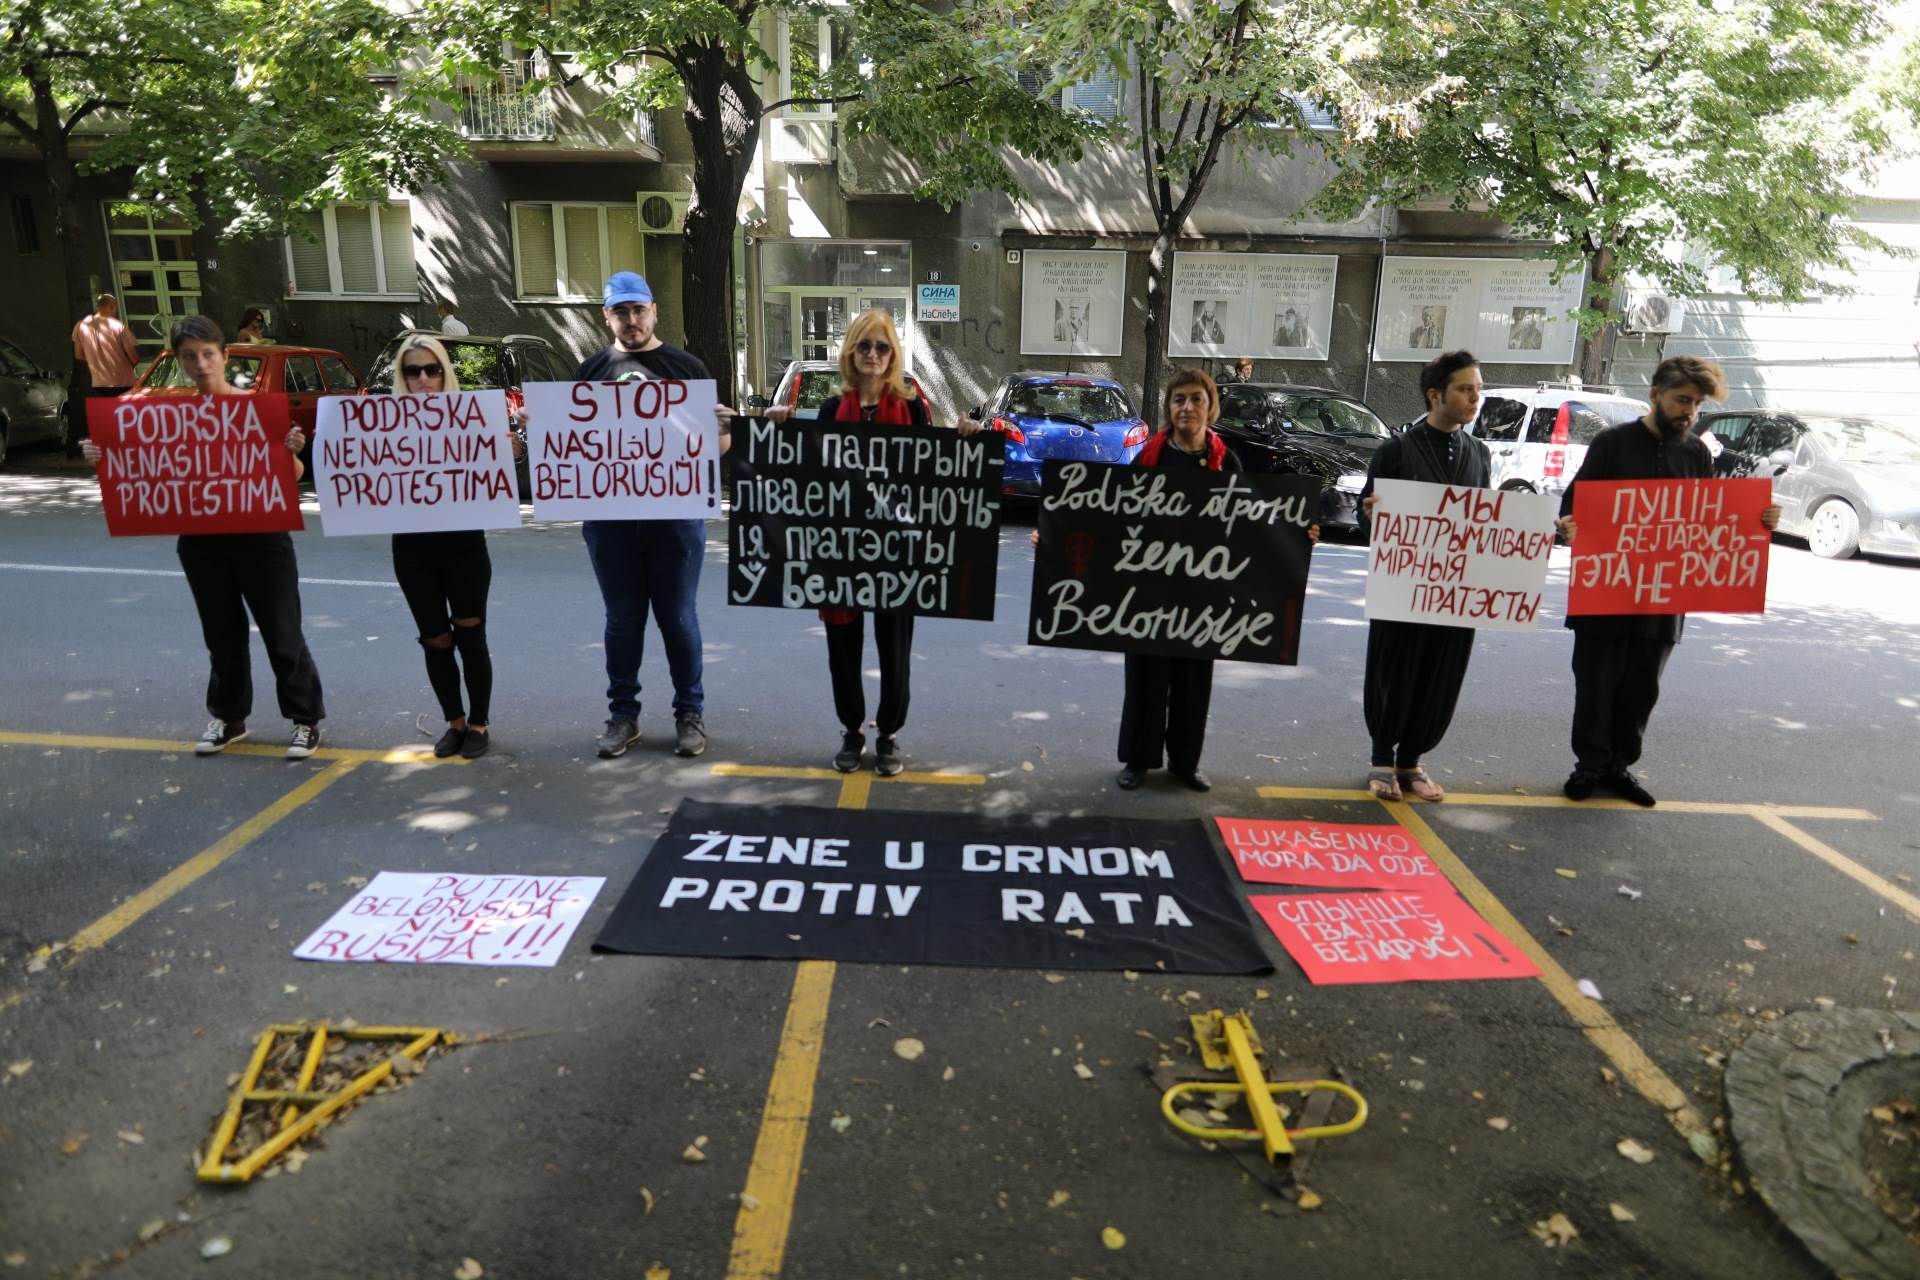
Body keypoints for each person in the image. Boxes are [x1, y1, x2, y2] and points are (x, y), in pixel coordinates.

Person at [82, 317, 325, 759]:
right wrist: (101, 453)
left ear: (225, 357)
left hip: (262, 540)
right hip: (202, 542)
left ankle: (305, 721)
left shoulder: (256, 409)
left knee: (282, 634)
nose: (200, 363)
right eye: (189, 356)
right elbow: (134, 468)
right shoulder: (167, 418)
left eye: (207, 354)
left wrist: (288, 451)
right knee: (222, 637)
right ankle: (230, 718)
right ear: (179, 361)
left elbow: (289, 479)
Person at [1554, 356, 1781, 807]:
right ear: (1655, 395)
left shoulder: (1695, 453)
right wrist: (1569, 525)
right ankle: (1589, 767)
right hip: (1606, 590)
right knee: (1596, 686)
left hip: (1663, 597)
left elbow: (1710, 521)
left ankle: (1619, 768)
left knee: (1641, 688)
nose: (1689, 413)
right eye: (1682, 401)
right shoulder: (1611, 444)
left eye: (1696, 405)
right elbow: (1573, 504)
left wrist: (1760, 520)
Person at [765, 309, 975, 776]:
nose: (874, 355)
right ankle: (853, 730)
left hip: (896, 556)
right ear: (851, 353)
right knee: (843, 647)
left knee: (895, 648)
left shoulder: (914, 410)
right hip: (840, 554)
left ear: (893, 354)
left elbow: (939, 479)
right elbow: (801, 477)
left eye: (882, 347)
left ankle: (890, 734)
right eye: (865, 346)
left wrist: (966, 440)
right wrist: (776, 428)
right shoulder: (827, 410)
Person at [1109, 368, 1316, 792]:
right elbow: (1113, 515)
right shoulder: (1150, 457)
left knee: (1193, 684)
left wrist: (1298, 533)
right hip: (1151, 592)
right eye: (1179, 399)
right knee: (1146, 681)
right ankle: (1138, 760)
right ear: (1169, 407)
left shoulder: (1227, 461)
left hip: (1203, 596)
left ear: (1210, 406)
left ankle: (1185, 763)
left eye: (1196, 399)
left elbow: (1253, 522)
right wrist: (1056, 535)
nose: (1187, 407)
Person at [572, 271, 733, 761]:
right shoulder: (591, 370)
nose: (631, 319)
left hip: (675, 520)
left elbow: (717, 448)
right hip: (610, 523)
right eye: (620, 311)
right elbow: (575, 447)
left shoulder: (685, 366)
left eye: (638, 309)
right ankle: (623, 716)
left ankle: (690, 713)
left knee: (678, 619)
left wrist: (722, 430)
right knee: (622, 621)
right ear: (607, 316)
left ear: (654, 310)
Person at [1355, 351, 1493, 802]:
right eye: (1465, 389)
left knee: (1441, 674)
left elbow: (1487, 521)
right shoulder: (1396, 451)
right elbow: (1367, 514)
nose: (1476, 397)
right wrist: (1371, 514)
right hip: (1402, 589)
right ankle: (1382, 758)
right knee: (1394, 669)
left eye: (1478, 388)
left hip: (1456, 592)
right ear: (1436, 395)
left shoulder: (1479, 454)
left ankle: (1411, 760)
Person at [387, 335, 522, 760]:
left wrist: (511, 449)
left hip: (464, 545)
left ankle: (478, 723)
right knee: (435, 640)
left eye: (432, 369)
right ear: (402, 376)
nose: (424, 379)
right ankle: (454, 722)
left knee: (470, 634)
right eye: (413, 371)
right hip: (412, 550)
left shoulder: (473, 419)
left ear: (445, 373)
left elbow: (500, 461)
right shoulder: (382, 423)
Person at [70, 293, 140, 452]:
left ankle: (109, 450)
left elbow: (78, 354)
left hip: (98, 382)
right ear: (112, 306)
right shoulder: (118, 326)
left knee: (106, 420)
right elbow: (133, 356)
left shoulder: (81, 326)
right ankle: (125, 450)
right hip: (123, 382)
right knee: (125, 420)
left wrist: (96, 360)